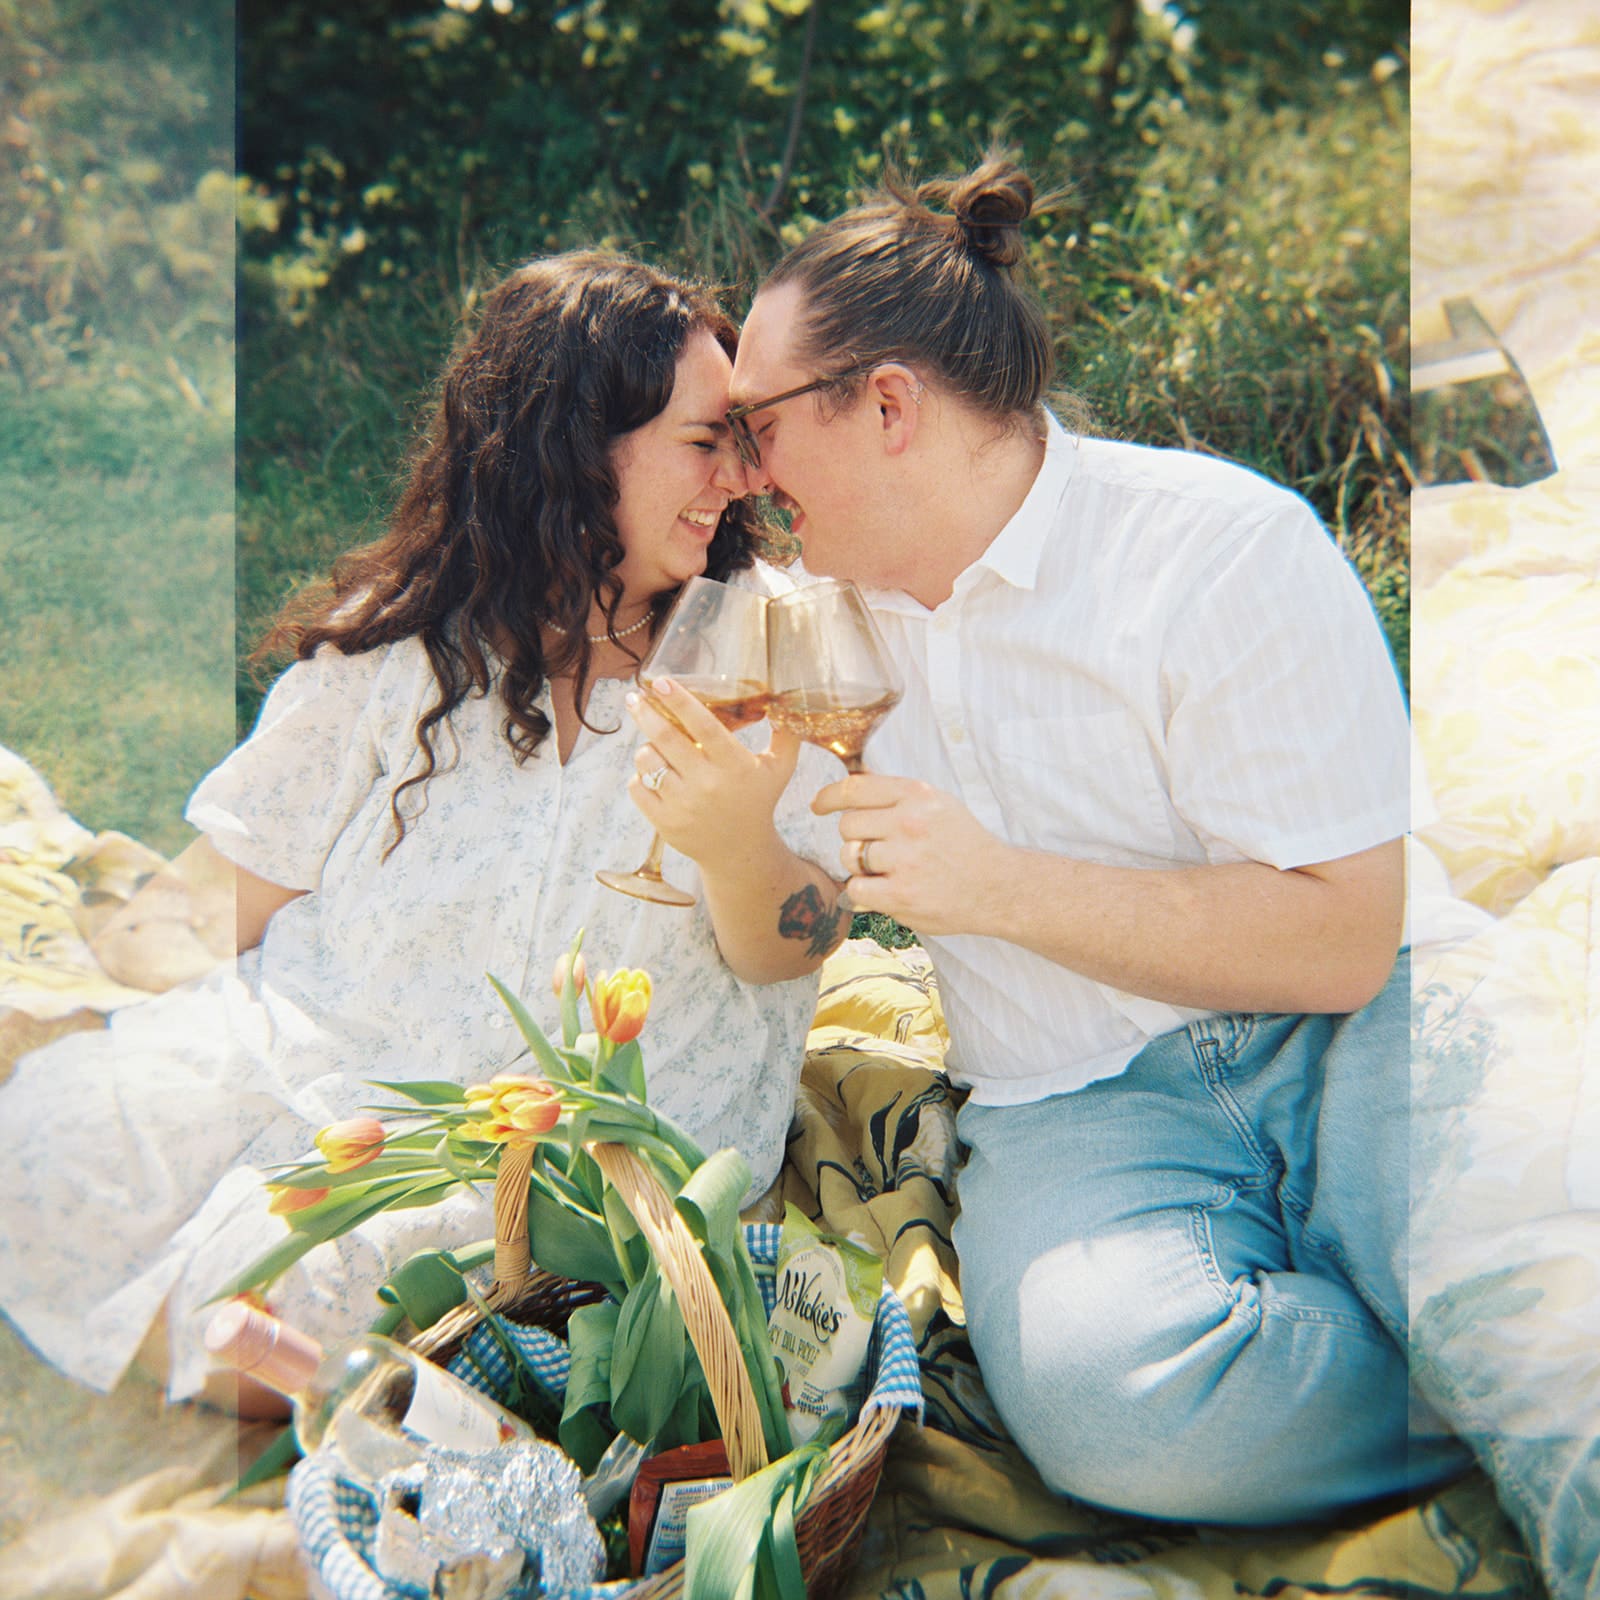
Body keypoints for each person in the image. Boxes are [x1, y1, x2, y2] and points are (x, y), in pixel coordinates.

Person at [725, 155, 1476, 1524]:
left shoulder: (1218, 551)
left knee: (1536, 1280)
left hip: (1350, 1036)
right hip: (1076, 1100)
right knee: (1116, 1412)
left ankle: (1486, 1340)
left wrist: (998, 888)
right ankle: (1466, 1378)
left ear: (886, 403)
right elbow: (797, 925)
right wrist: (733, 847)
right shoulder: (806, 628)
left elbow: (1347, 943)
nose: (742, 471)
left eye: (756, 422)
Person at [0, 250, 847, 1407]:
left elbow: (796, 941)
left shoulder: (764, 647)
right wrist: (135, 1014)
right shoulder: (411, 644)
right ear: (572, 444)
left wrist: (738, 840)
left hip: (561, 1139)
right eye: (706, 441)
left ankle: (291, 1372)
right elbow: (221, 897)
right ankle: (272, 1363)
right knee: (38, 1140)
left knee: (341, 1285)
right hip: (340, 1046)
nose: (740, 478)